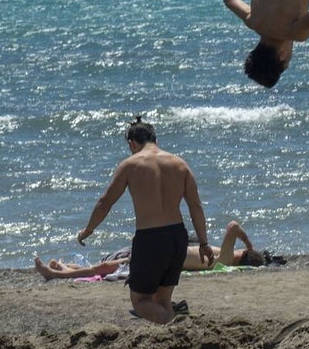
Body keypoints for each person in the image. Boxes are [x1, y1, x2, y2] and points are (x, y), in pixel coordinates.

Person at [75, 117, 215, 324]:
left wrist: (88, 230)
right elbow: (195, 206)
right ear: (154, 139)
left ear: (132, 143)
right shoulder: (180, 164)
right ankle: (175, 325)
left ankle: (174, 326)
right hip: (177, 237)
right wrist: (204, 243)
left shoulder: (130, 165)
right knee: (163, 299)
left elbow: (105, 202)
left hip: (150, 238)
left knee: (140, 301)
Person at [34, 220, 264, 280]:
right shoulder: (223, 259)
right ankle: (64, 268)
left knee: (104, 267)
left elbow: (233, 226)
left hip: (162, 257)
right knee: (105, 267)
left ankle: (54, 274)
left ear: (242, 256)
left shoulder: (225, 260)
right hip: (163, 253)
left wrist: (249, 244)